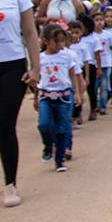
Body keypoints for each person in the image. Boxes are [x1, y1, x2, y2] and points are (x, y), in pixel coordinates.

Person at [0, 0, 40, 206]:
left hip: (11, 66)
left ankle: (11, 184)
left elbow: (30, 33)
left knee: (4, 125)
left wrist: (36, 68)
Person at [34, 24, 82, 172]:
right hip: (46, 96)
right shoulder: (40, 58)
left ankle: (59, 160)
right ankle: (48, 145)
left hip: (63, 96)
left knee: (62, 128)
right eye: (57, 41)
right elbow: (37, 79)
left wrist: (77, 92)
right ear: (46, 41)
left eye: (62, 41)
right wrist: (36, 97)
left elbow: (73, 74)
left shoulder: (67, 55)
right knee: (44, 124)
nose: (60, 45)